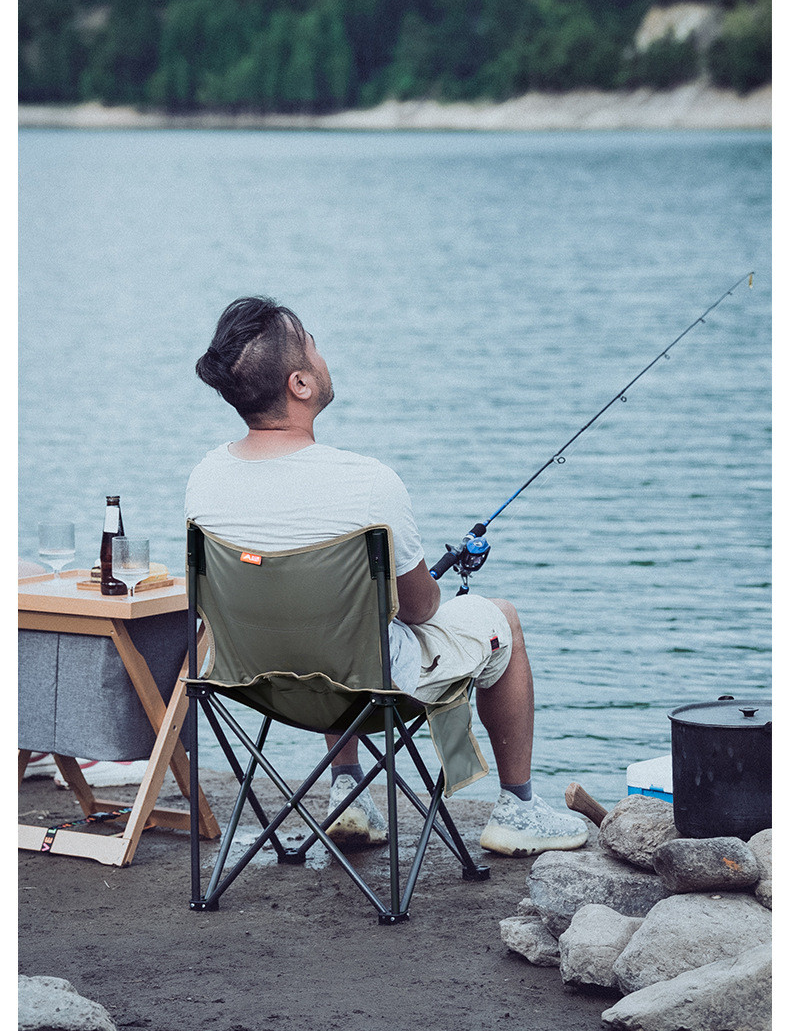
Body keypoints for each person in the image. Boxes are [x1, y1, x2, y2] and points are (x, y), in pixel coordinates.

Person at [185, 296, 588, 858]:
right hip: (369, 690)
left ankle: (347, 789)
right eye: (314, 346)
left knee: (328, 622)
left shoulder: (205, 480)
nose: (324, 357)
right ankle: (517, 808)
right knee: (503, 623)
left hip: (254, 684)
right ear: (300, 383)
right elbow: (421, 610)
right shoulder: (367, 483)